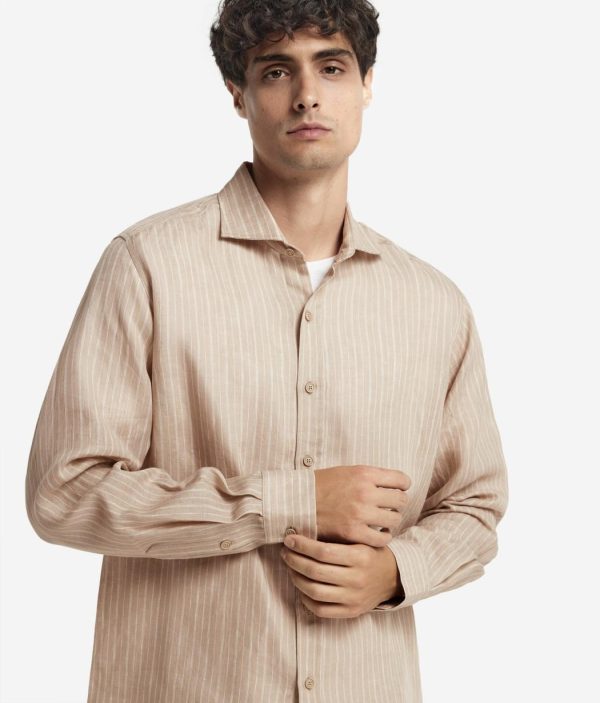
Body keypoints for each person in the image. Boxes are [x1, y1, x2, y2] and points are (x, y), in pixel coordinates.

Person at [25, 1, 509, 701]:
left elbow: (475, 505)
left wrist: (398, 571)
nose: (308, 94)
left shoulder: (433, 303)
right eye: (278, 71)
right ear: (238, 93)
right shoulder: (148, 266)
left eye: (332, 67)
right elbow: (64, 492)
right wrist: (292, 501)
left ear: (366, 84)